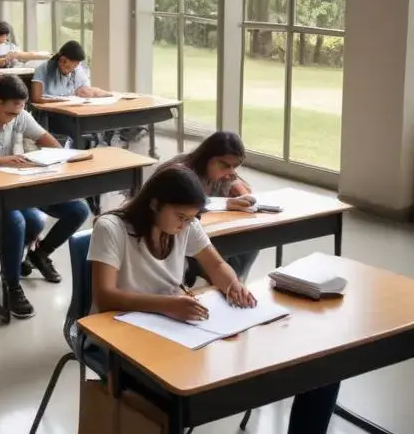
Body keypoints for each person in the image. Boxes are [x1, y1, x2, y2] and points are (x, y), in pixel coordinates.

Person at [88, 166, 340, 434]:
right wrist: (167, 306)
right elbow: (105, 297)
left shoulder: (187, 225)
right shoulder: (111, 228)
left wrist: (233, 286)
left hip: (173, 328)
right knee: (182, 389)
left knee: (321, 372)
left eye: (191, 218)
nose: (185, 225)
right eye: (180, 217)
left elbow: (217, 265)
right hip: (120, 333)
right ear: (154, 203)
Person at [0, 75, 92, 318]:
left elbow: (44, 138)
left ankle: (40, 254)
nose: (15, 118)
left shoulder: (19, 113)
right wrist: (3, 161)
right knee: (18, 221)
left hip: (13, 182)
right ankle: (12, 284)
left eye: (19, 112)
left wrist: (61, 156)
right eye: (10, 113)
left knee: (79, 210)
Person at [172, 131, 259, 281]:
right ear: (207, 157)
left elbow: (239, 186)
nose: (230, 172)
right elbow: (185, 204)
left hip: (208, 230)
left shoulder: (222, 173)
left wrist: (243, 194)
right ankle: (222, 281)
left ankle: (235, 280)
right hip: (178, 232)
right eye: (225, 165)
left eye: (235, 166)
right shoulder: (181, 171)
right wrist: (225, 203)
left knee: (254, 235)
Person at [29, 40, 112, 145]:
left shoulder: (76, 68)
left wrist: (94, 92)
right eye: (68, 68)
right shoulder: (43, 69)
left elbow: (85, 87)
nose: (70, 71)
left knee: (97, 122)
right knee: (79, 129)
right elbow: (36, 98)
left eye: (74, 68)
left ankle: (97, 145)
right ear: (62, 61)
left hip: (74, 110)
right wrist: (60, 101)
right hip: (53, 115)